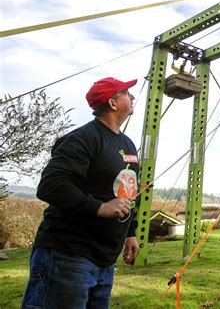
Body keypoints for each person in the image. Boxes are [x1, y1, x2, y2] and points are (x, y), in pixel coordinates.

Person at [22, 77, 140, 309]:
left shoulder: (128, 144)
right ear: (113, 103)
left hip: (105, 261)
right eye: (126, 92)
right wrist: (100, 207)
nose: (133, 96)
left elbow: (129, 190)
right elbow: (51, 185)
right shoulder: (82, 139)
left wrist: (131, 232)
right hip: (67, 256)